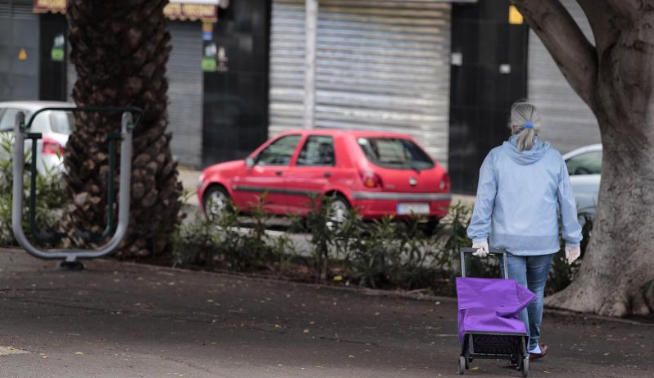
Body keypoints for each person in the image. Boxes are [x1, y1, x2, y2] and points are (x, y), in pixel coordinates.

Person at [467, 100, 582, 360]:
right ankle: (531, 345)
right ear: (537, 125)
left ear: (512, 125)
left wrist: (479, 235)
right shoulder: (554, 159)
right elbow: (567, 202)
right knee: (536, 292)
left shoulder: (496, 157)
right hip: (543, 240)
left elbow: (484, 199)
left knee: (515, 293)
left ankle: (520, 346)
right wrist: (572, 239)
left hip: (509, 240)